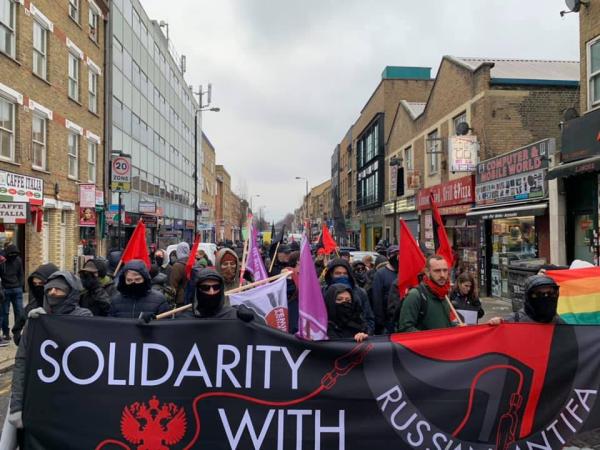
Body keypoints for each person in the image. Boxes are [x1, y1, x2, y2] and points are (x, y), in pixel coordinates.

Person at [9, 271, 92, 433]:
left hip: (72, 401)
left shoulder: (84, 318)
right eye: (50, 289)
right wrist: (16, 405)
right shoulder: (37, 320)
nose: (53, 293)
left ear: (70, 292)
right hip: (41, 399)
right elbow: (22, 361)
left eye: (59, 289)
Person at [397, 254, 458, 333]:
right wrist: (431, 340)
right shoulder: (415, 295)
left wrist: (457, 328)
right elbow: (405, 328)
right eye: (437, 271)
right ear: (427, 272)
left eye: (445, 270)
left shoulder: (444, 293)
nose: (442, 275)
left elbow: (444, 323)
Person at [181, 268, 260, 321]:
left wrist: (254, 319)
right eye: (205, 287)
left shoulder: (233, 316)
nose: (211, 292)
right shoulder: (185, 320)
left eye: (216, 287)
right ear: (197, 290)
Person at [323, 258, 375, 335]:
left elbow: (369, 319)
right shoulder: (323, 292)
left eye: (345, 273)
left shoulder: (360, 293)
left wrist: (365, 333)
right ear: (331, 274)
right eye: (338, 273)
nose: (342, 276)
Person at [12, 263, 59, 346]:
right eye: (35, 284)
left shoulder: (63, 305)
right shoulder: (33, 304)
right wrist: (20, 337)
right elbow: (18, 326)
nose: (38, 287)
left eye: (41, 284)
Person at [488, 275, 563, 325]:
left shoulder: (560, 324)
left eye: (549, 294)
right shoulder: (514, 321)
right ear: (529, 297)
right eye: (538, 295)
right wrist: (496, 324)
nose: (545, 298)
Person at [371, 245, 399, 334]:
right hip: (386, 322)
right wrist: (380, 323)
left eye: (399, 254)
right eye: (394, 254)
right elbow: (377, 299)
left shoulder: (404, 272)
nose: (397, 257)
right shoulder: (380, 274)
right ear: (388, 256)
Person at [0, 244, 24, 341]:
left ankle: (17, 332)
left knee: (18, 312)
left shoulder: (18, 260)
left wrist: (20, 285)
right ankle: (6, 333)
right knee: (5, 313)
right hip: (6, 290)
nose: (13, 256)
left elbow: (21, 273)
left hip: (16, 289)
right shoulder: (2, 261)